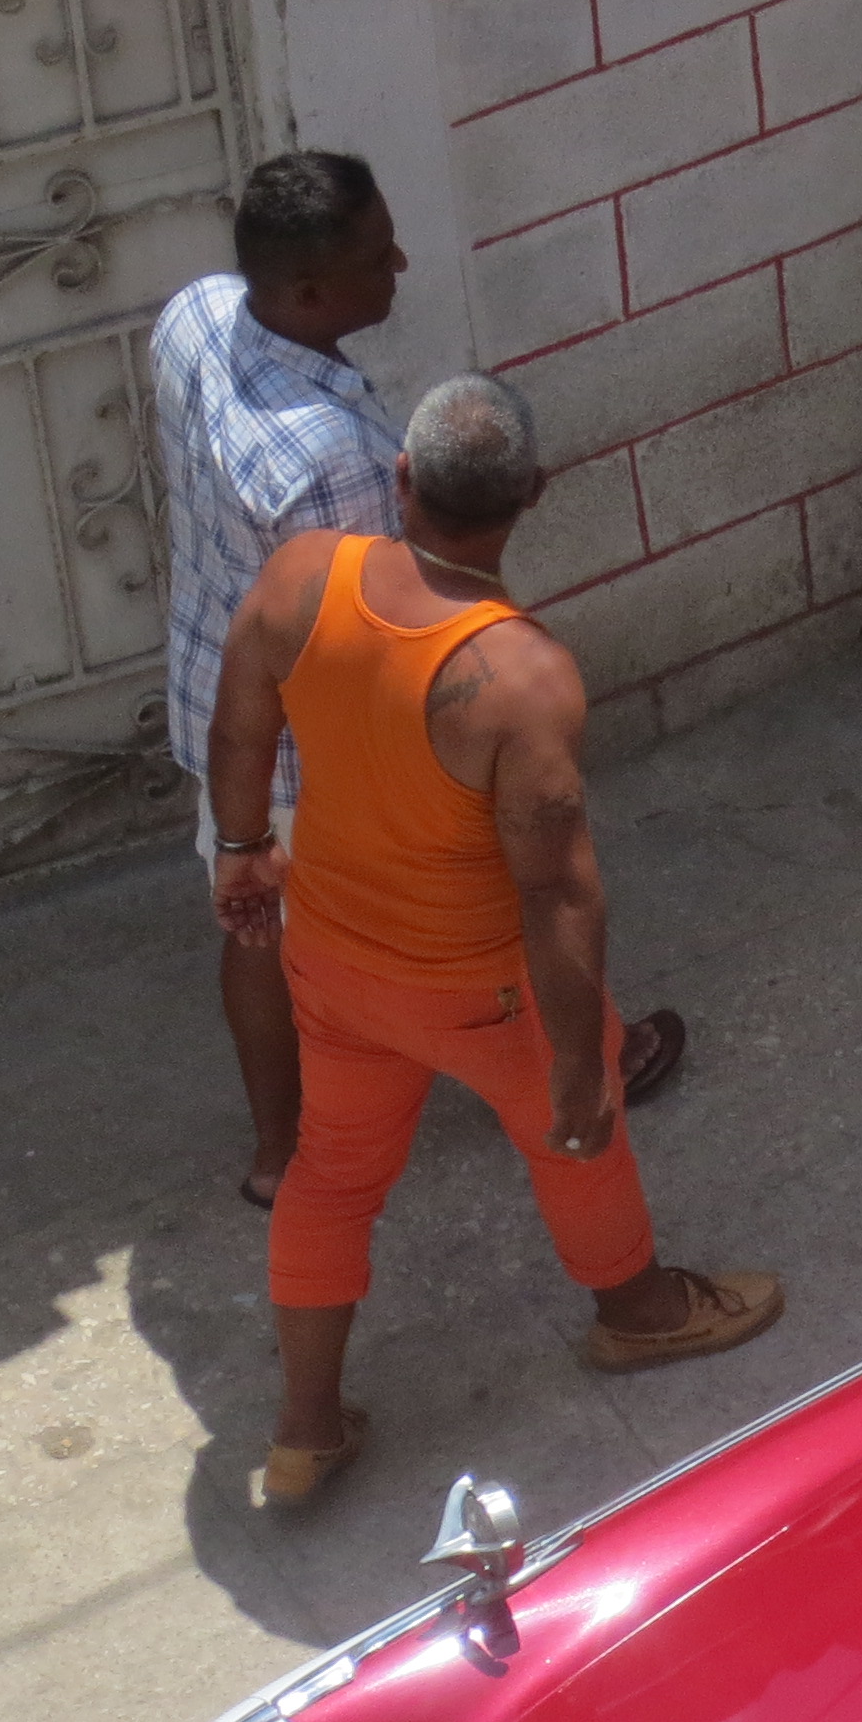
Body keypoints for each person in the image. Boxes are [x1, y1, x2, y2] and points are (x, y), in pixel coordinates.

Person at [205, 373, 784, 1506]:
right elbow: (558, 891)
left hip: (331, 959)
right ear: (533, 493)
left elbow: (238, 728)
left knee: (332, 1172)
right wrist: (584, 1063)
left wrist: (240, 851)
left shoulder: (301, 577)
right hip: (481, 990)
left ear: (402, 477)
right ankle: (639, 1313)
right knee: (576, 1143)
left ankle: (307, 1428)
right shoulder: (520, 677)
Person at [154, 149, 678, 1208]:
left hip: (213, 685)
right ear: (309, 291)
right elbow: (387, 624)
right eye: (374, 256)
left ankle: (278, 1152)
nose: (398, 264)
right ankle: (588, 1065)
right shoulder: (334, 463)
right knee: (505, 897)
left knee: (254, 921)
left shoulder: (196, 313)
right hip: (313, 747)